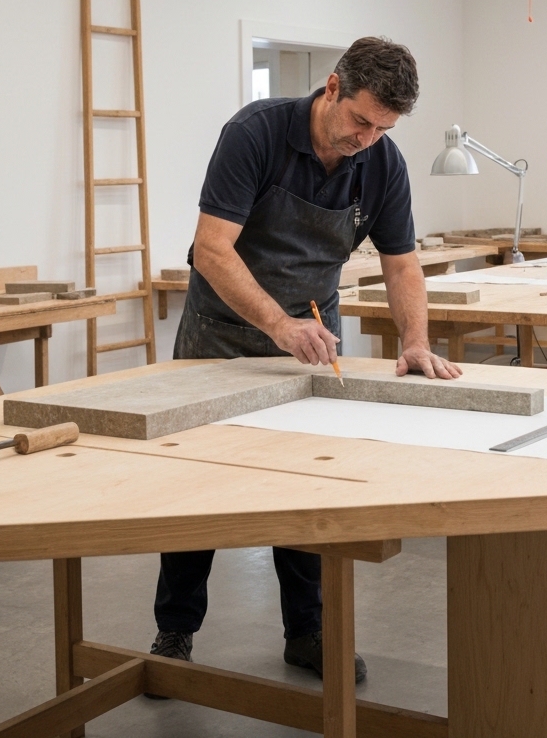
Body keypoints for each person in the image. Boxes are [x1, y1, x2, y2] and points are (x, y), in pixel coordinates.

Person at [148, 37, 460, 688]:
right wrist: (277, 325)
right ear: (331, 88)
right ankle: (174, 629)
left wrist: (414, 342)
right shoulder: (255, 135)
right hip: (223, 331)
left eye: (383, 129)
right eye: (360, 121)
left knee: (307, 484)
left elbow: (402, 263)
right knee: (194, 488)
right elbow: (211, 250)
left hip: (312, 330)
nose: (368, 139)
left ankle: (309, 632)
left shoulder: (382, 163)